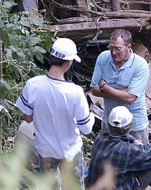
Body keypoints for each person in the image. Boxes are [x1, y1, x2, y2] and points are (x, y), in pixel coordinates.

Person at [16, 37, 94, 189]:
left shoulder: (33, 84)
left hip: (45, 151)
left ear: (52, 58)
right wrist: (90, 116)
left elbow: (27, 117)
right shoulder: (75, 92)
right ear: (69, 62)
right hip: (70, 152)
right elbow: (86, 129)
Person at [90, 29, 150, 144]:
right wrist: (122, 92)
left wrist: (105, 87)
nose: (113, 52)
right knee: (110, 159)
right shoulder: (103, 58)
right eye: (111, 47)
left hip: (135, 125)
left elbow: (130, 99)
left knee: (138, 159)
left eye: (117, 48)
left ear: (129, 47)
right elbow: (94, 90)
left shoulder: (140, 65)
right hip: (110, 123)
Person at [85, 106, 151, 190]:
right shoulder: (127, 150)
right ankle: (147, 187)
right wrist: (140, 146)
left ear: (109, 124)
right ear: (130, 126)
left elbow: (120, 137)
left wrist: (133, 142)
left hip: (92, 187)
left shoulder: (101, 137)